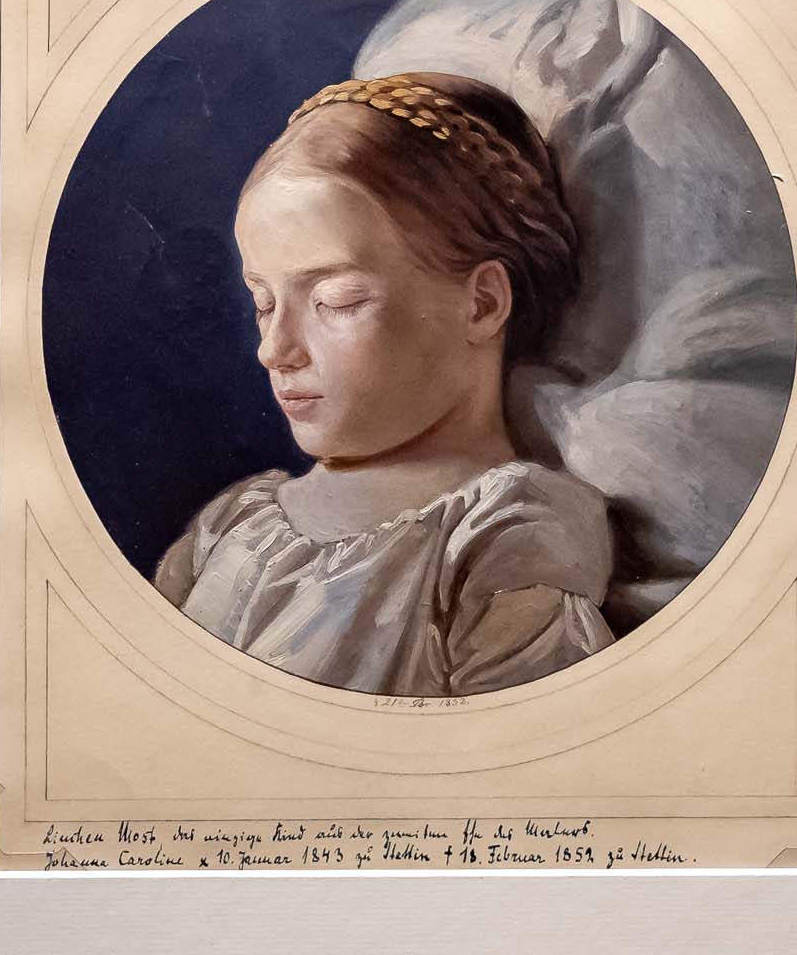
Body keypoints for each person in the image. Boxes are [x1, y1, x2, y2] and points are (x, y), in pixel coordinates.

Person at [152, 71, 618, 699]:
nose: (273, 350)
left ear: (482, 303)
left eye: (336, 300)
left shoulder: (502, 545)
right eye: (263, 303)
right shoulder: (228, 528)